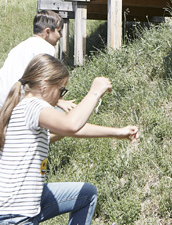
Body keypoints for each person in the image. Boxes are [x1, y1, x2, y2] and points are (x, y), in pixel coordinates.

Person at [0, 53, 139, 224]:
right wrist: (95, 92)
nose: (60, 98)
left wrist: (117, 132)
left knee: (86, 194)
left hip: (24, 204)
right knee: (86, 195)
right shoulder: (33, 106)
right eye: (61, 90)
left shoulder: (25, 107)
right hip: (14, 214)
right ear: (44, 85)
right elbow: (71, 124)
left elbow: (73, 129)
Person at [0, 12, 74, 112]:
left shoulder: (20, 46)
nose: (61, 35)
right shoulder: (46, 48)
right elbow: (44, 81)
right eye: (59, 31)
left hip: (4, 100)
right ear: (47, 31)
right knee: (61, 114)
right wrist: (58, 101)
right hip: (19, 101)